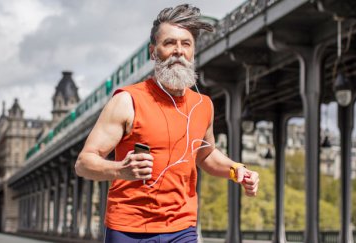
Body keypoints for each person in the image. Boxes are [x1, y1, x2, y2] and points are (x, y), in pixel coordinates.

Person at [75, 4, 260, 243]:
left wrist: (238, 170)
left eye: (186, 44)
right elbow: (83, 163)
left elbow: (205, 155)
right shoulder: (127, 100)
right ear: (153, 51)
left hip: (182, 229)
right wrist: (120, 170)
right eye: (169, 43)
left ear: (193, 51)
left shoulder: (203, 105)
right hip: (129, 230)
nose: (178, 51)